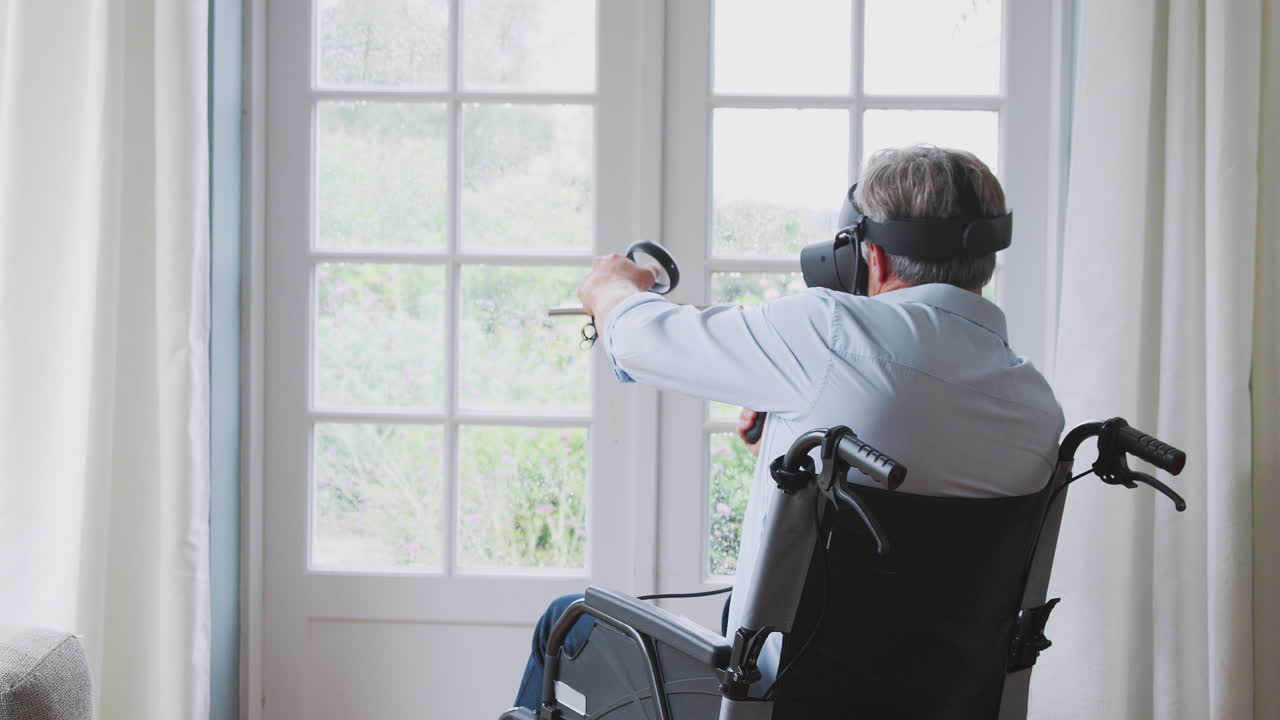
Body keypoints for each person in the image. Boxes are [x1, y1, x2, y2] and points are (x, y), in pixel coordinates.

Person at [506, 145, 1064, 712]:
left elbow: (641, 338)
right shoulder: (1036, 406)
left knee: (566, 622)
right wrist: (790, 434)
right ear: (986, 259)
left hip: (773, 701)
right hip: (934, 703)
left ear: (872, 256)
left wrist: (610, 289)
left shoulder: (833, 330)